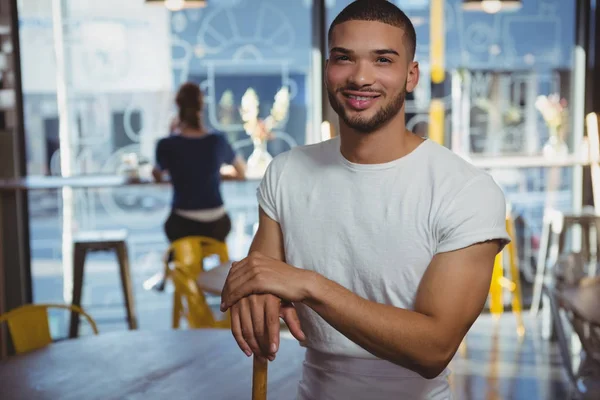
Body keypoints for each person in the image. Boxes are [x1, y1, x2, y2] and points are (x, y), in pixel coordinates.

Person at [220, 1, 510, 399]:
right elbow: (261, 280)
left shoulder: (465, 189)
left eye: (382, 60)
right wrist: (260, 292)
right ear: (327, 69)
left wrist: (308, 285)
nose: (360, 77)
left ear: (411, 76)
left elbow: (433, 349)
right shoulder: (286, 172)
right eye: (344, 59)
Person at [153, 82, 246, 243]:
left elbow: (157, 175)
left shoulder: (167, 144)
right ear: (201, 106)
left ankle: (185, 268)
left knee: (172, 228)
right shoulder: (217, 141)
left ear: (178, 106)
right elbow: (241, 172)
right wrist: (215, 175)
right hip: (216, 223)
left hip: (182, 223)